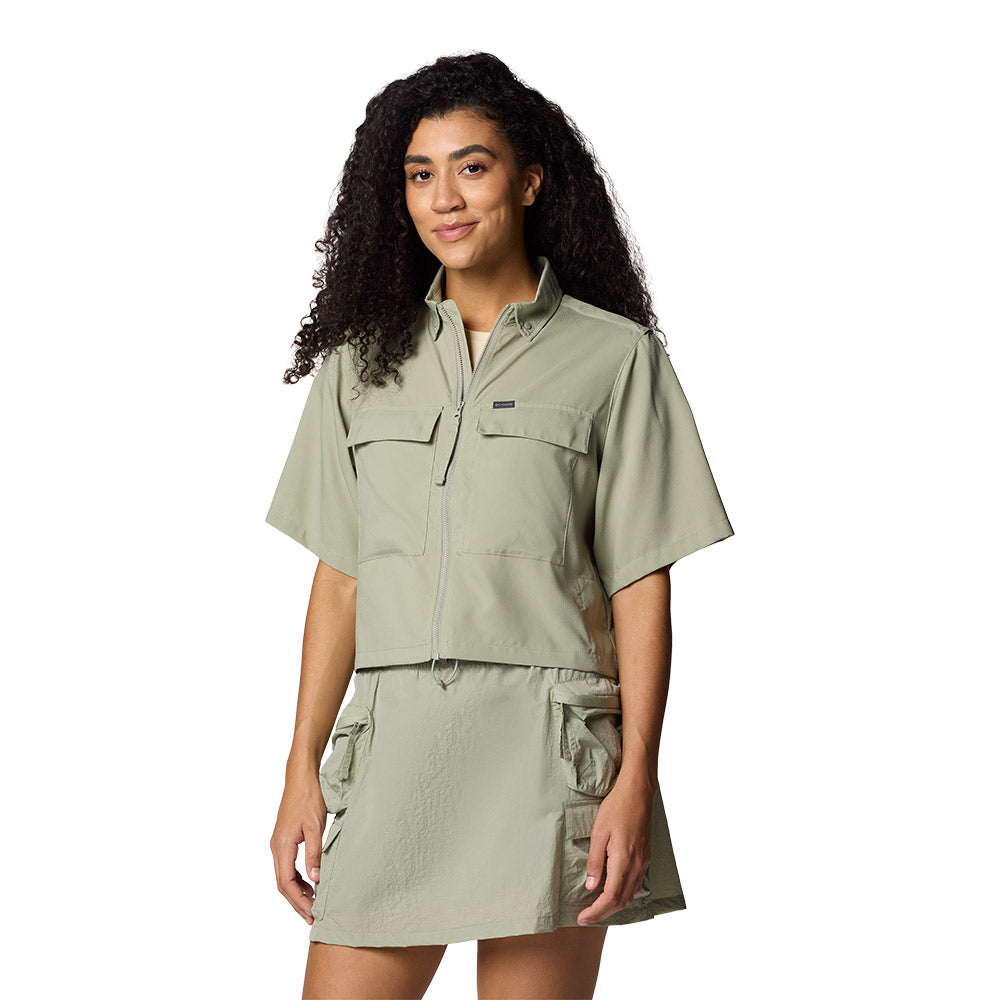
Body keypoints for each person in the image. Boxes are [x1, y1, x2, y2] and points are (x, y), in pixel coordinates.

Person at [264, 51, 735, 1000]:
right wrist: (298, 769)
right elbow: (342, 581)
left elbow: (640, 581)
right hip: (394, 745)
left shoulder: (616, 359)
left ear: (528, 182)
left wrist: (635, 778)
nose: (444, 198)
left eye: (471, 167)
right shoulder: (358, 366)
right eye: (419, 174)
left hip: (546, 754)